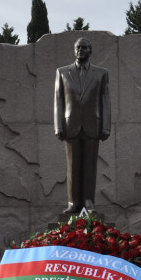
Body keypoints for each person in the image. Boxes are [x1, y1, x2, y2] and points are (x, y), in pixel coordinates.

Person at [54, 37, 111, 214]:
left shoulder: (101, 73)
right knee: (72, 166)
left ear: (90, 51)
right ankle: (73, 203)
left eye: (84, 48)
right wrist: (58, 125)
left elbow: (105, 101)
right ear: (74, 50)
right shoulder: (62, 72)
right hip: (70, 125)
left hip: (93, 125)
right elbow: (58, 100)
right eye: (78, 47)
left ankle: (88, 202)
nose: (81, 50)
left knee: (90, 166)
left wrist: (106, 126)